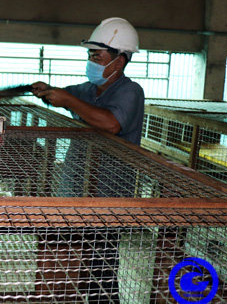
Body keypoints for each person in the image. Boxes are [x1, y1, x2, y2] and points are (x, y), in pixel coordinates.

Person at [32, 17, 145, 303]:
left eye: (97, 55)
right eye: (90, 55)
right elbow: (67, 95)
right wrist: (48, 91)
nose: (91, 60)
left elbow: (111, 124)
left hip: (108, 197)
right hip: (77, 190)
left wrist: (67, 101)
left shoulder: (130, 92)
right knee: (71, 263)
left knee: (101, 265)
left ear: (118, 62)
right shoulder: (88, 90)